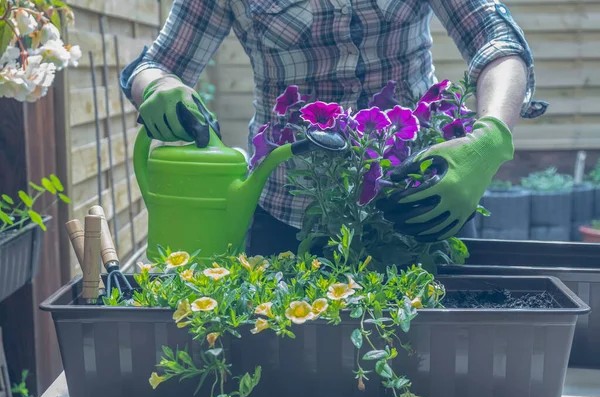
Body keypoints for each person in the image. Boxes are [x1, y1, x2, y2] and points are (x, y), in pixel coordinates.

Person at [120, 0, 547, 256]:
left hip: (421, 203)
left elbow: (497, 42)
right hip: (290, 219)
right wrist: (159, 85)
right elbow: (155, 65)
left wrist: (488, 139)